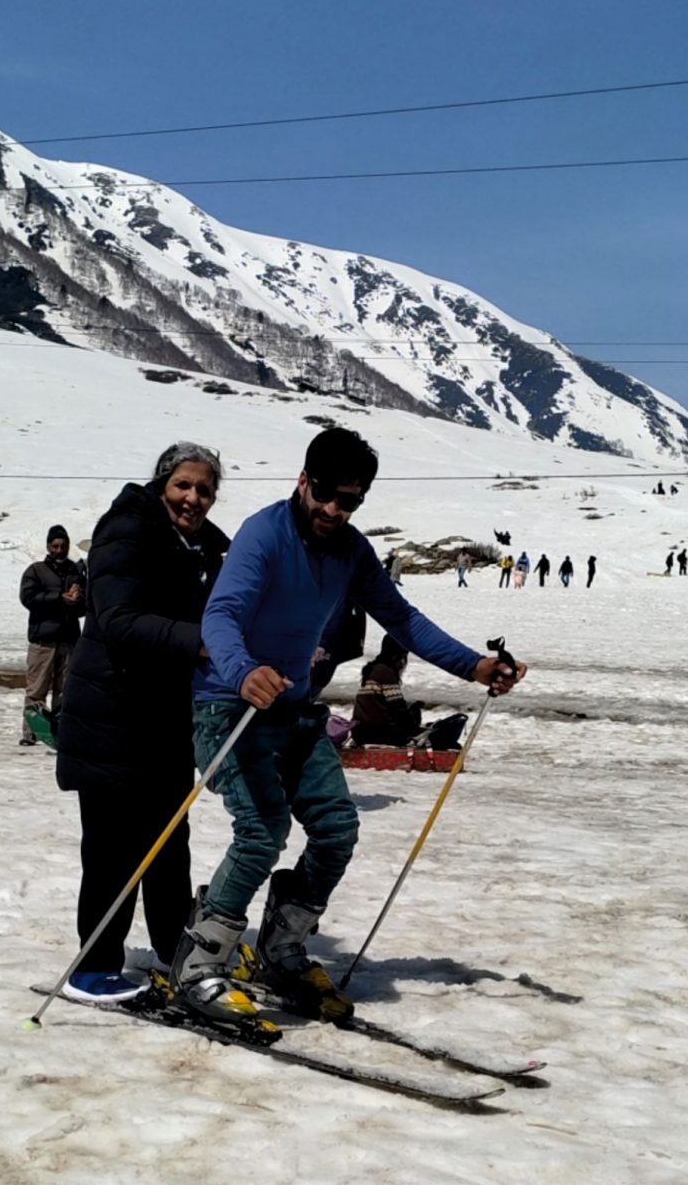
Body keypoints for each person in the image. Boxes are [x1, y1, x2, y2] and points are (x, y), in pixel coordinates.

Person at [172, 427, 526, 1028]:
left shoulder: (351, 551)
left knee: (337, 829)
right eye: (327, 495)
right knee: (262, 831)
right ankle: (200, 961)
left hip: (294, 712)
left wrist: (475, 666)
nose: (336, 511)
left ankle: (281, 948)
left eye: (351, 501)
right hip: (228, 707)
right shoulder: (264, 534)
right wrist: (243, 671)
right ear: (303, 481)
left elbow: (401, 618)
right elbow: (221, 615)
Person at [55, 442, 228, 1005]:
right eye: (184, 485)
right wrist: (202, 640)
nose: (193, 498)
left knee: (168, 841)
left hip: (163, 715)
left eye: (205, 490)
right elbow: (119, 619)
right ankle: (93, 965)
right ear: (161, 484)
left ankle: (171, 946)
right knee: (113, 847)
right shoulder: (126, 529)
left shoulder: (206, 544)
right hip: (111, 712)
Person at [18, 526, 85, 746]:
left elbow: (86, 606)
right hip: (43, 641)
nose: (59, 550)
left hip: (68, 640)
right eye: (55, 546)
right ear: (48, 547)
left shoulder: (76, 572)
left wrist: (78, 599)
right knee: (36, 689)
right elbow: (28, 598)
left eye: (63, 546)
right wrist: (59, 597)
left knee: (65, 691)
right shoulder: (36, 571)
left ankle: (61, 733)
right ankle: (30, 733)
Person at [351, 634, 466, 751]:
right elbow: (398, 709)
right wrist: (415, 728)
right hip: (374, 732)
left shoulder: (374, 669)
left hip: (361, 731)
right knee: (434, 738)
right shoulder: (385, 672)